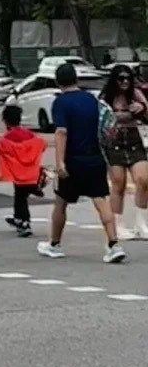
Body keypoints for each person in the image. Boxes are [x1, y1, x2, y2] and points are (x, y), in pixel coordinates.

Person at [37, 61, 126, 264]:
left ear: (58, 82)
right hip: (95, 157)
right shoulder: (91, 99)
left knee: (61, 201)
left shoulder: (60, 102)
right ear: (76, 79)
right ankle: (114, 244)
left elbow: (61, 132)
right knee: (100, 199)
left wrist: (60, 162)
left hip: (73, 159)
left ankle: (55, 244)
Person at [100, 63, 148, 241]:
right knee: (118, 184)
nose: (125, 82)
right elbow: (100, 118)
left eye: (128, 78)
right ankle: (118, 225)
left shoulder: (136, 94)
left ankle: (140, 223)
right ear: (114, 80)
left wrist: (141, 109)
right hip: (114, 142)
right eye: (121, 78)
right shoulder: (106, 97)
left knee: (143, 180)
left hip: (134, 139)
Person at [0, 102, 46, 236]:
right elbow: (42, 145)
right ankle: (19, 216)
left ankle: (24, 222)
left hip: (18, 175)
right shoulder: (30, 135)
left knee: (20, 198)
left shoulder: (6, 139)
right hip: (32, 174)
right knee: (21, 197)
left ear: (5, 120)